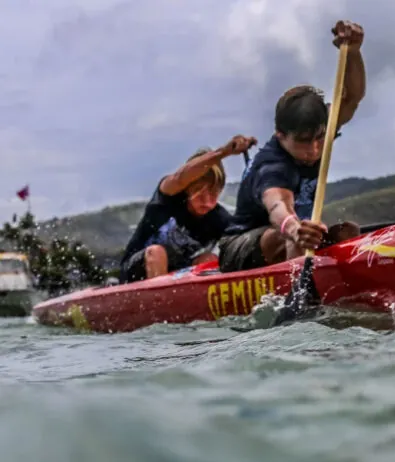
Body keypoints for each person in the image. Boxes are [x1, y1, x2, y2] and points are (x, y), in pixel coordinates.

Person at [218, 20, 366, 273]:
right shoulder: (272, 164)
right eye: (303, 142)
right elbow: (278, 207)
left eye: (319, 138)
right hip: (239, 248)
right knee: (289, 233)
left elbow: (351, 97)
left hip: (295, 235)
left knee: (347, 232)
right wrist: (295, 229)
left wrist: (353, 52)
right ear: (280, 135)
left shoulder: (321, 130)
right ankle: (301, 306)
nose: (314, 150)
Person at [118, 134, 256, 283]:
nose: (208, 202)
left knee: (208, 259)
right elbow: (180, 177)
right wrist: (223, 153)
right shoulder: (168, 196)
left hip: (177, 276)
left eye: (214, 194)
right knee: (157, 252)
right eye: (200, 194)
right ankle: (162, 301)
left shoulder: (219, 218)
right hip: (137, 273)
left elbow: (243, 239)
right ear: (187, 188)